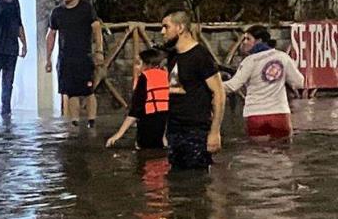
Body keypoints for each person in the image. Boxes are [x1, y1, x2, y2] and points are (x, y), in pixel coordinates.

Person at [161, 10, 225, 170]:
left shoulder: (200, 56)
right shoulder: (173, 56)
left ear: (180, 28)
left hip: (196, 130)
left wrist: (215, 131)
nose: (162, 32)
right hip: (175, 129)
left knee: (196, 180)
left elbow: (219, 93)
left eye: (166, 27)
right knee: (176, 180)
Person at [223, 25, 304, 140]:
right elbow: (299, 82)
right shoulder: (283, 57)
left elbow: (232, 86)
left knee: (257, 154)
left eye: (248, 39)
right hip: (280, 114)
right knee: (283, 154)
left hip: (255, 115)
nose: (244, 42)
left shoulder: (249, 61)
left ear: (259, 40)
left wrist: (210, 84)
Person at [45, 0, 104, 128]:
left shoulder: (86, 9)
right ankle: (74, 122)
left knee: (88, 90)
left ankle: (91, 121)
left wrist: (99, 51)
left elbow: (96, 29)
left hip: (84, 57)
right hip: (65, 58)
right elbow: (51, 35)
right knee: (70, 92)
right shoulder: (57, 13)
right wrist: (48, 58)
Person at [106, 47, 170, 149]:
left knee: (145, 158)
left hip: (148, 126)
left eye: (138, 63)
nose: (135, 67)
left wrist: (118, 134)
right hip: (164, 126)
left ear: (147, 64)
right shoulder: (166, 75)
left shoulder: (144, 78)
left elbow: (135, 110)